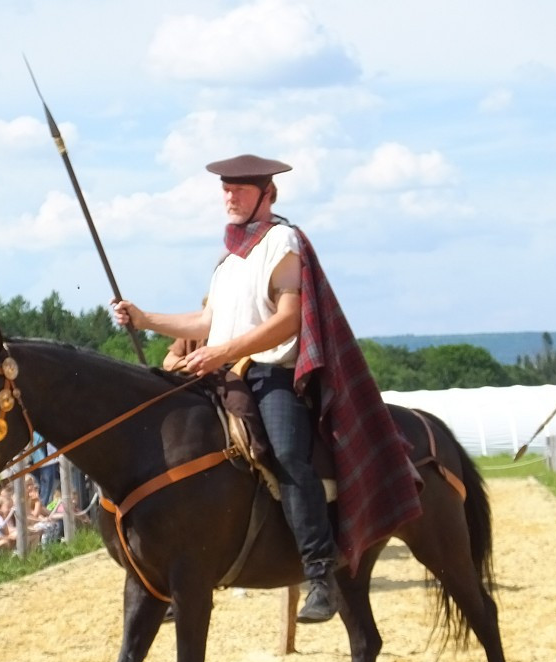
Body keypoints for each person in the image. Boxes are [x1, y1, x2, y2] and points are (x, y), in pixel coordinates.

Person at [111, 154, 422, 623]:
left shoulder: (282, 242)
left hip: (270, 375)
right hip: (222, 375)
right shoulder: (228, 259)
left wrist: (223, 351)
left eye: (239, 188)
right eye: (225, 189)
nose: (229, 196)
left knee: (289, 457)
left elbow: (287, 321)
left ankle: (319, 572)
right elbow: (205, 321)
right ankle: (186, 573)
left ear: (267, 194)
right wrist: (144, 318)